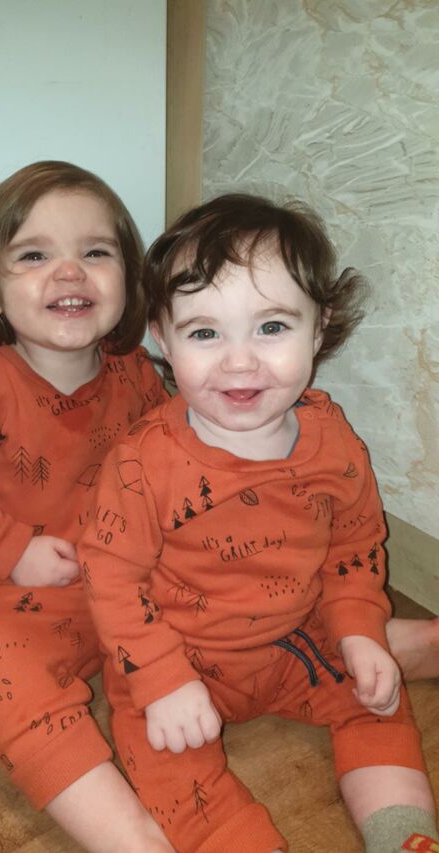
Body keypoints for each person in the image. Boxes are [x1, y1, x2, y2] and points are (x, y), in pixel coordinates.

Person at [78, 193, 438, 853]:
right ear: (162, 338)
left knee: (378, 704)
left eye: (271, 327)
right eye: (205, 333)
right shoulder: (142, 463)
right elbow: (110, 578)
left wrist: (359, 631)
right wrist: (161, 681)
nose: (239, 361)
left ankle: (403, 836)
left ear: (318, 329)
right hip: (176, 657)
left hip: (297, 639)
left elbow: (354, 547)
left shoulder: (332, 439)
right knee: (172, 771)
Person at [0, 161, 173, 852]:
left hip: (141, 584)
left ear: (127, 279)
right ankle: (127, 834)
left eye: (96, 252)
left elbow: (173, 468)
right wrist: (11, 549)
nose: (70, 271)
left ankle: (363, 645)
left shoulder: (140, 376)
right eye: (33, 255)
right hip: (29, 598)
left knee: (248, 585)